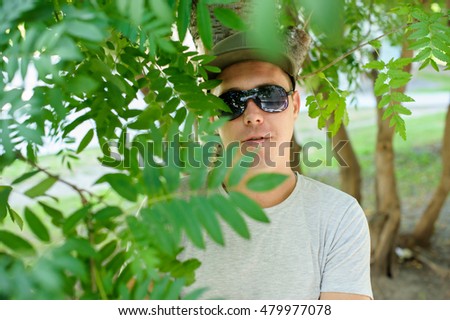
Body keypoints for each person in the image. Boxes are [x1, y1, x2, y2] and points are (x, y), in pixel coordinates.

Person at [181, 9, 373, 300]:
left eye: (270, 96)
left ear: (295, 105)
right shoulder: (168, 207)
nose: (253, 116)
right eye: (231, 103)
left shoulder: (338, 218)